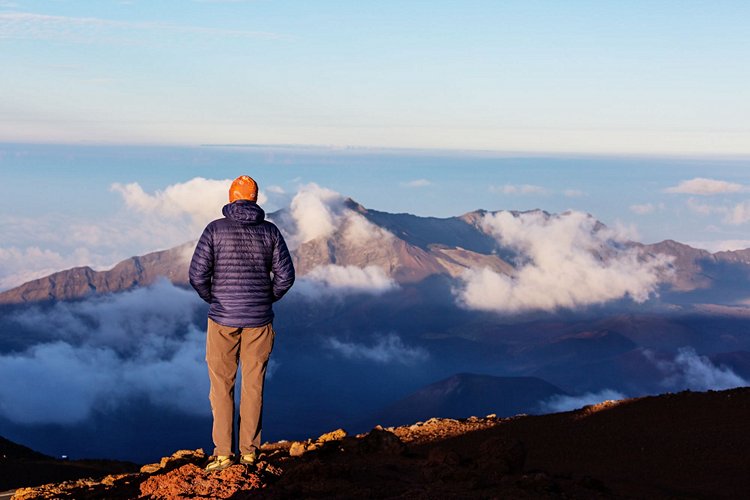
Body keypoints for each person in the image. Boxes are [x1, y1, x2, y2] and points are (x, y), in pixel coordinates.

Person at [189, 175, 295, 471]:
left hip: (222, 320)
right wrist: (265, 298)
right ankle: (249, 453)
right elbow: (286, 276)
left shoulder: (214, 230)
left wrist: (216, 299)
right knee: (253, 386)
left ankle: (223, 453)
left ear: (231, 196)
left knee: (221, 386)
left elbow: (197, 275)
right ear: (256, 199)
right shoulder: (270, 232)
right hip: (259, 321)